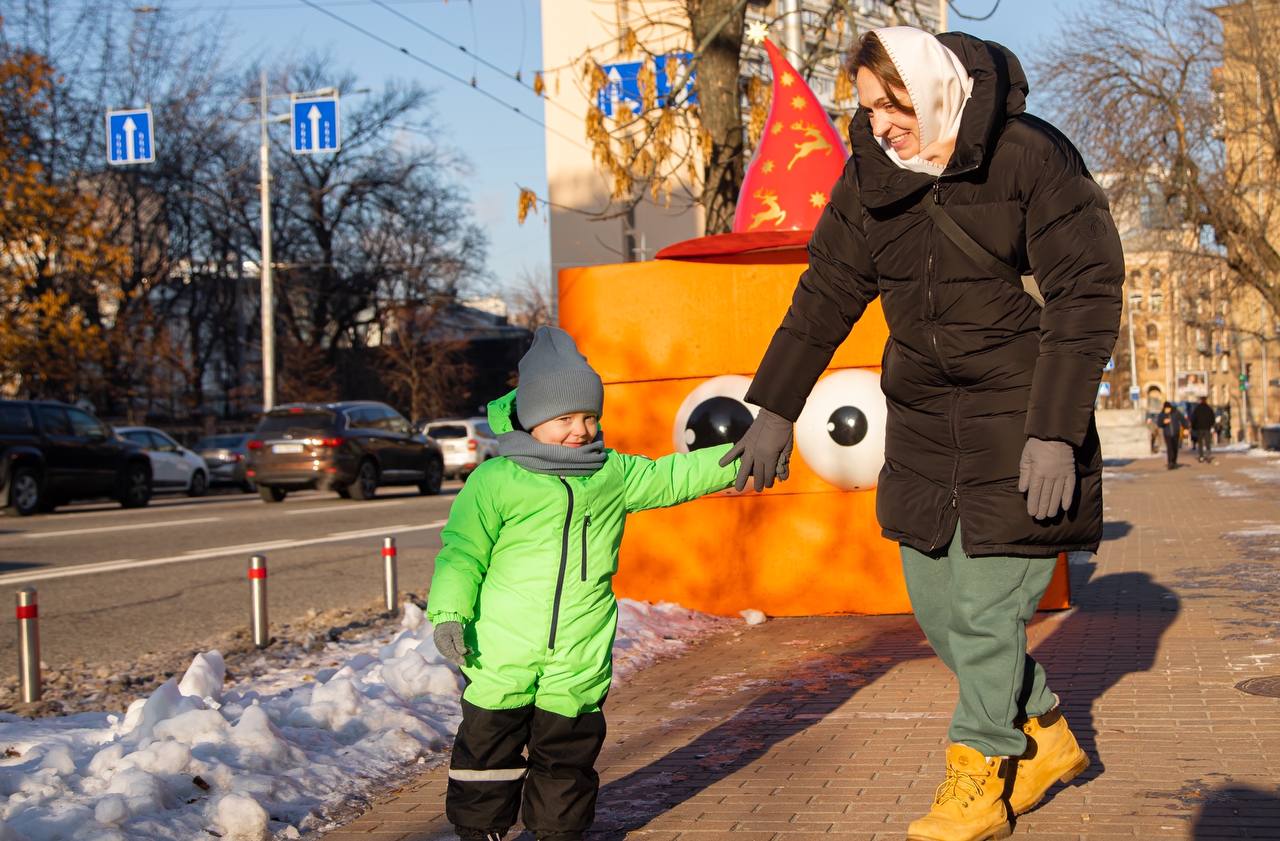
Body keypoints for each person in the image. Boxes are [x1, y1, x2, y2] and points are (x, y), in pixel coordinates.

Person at [722, 26, 1122, 841]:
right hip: (924, 420)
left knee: (987, 612)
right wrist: (776, 406)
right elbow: (827, 288)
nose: (877, 123)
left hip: (1019, 413)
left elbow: (1085, 291)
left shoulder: (1027, 155)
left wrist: (1054, 431)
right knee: (939, 607)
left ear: (932, 87)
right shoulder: (871, 172)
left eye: (888, 104)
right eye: (865, 108)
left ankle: (979, 775)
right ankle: (1044, 732)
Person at [426, 327, 739, 841]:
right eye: (565, 418)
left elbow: (673, 476)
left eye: (589, 417)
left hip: (578, 647)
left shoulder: (610, 473)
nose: (580, 429)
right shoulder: (497, 480)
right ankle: (480, 829)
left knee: (567, 756)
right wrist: (448, 614)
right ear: (533, 418)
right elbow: (462, 553)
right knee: (486, 750)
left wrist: (738, 459)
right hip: (502, 646)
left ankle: (558, 832)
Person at [1157, 400, 1188, 469]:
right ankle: (1170, 462)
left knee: (1175, 448)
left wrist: (1186, 428)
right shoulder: (1162, 414)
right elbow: (1159, 424)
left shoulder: (1176, 413)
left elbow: (1183, 420)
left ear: (1170, 408)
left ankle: (1174, 461)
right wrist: (1163, 422)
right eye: (1166, 408)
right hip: (1167, 434)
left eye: (1168, 408)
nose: (1167, 410)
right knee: (1169, 448)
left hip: (1176, 433)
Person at [1191, 396, 1216, 463]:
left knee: (1200, 443)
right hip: (1207, 428)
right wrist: (1211, 425)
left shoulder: (1197, 409)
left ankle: (1201, 456)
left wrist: (1194, 427)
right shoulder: (1209, 409)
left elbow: (1193, 418)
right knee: (1208, 442)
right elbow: (1212, 418)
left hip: (1199, 428)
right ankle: (1208, 456)